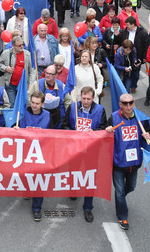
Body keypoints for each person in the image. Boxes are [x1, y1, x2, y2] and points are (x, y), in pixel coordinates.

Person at [104, 93, 150, 231]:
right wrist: (106, 131)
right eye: (125, 103)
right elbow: (104, 135)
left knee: (130, 187)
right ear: (120, 105)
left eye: (131, 103)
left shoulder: (141, 118)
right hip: (118, 163)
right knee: (119, 192)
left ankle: (121, 200)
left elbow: (148, 135)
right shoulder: (113, 118)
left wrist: (148, 135)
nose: (128, 106)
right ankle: (122, 216)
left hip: (134, 163)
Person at [63, 86, 107, 222]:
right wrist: (72, 132)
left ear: (93, 98)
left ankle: (88, 207)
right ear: (80, 97)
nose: (86, 101)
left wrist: (94, 132)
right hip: (75, 149)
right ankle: (73, 189)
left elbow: (104, 128)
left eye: (88, 99)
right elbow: (64, 126)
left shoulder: (100, 110)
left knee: (90, 178)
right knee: (73, 172)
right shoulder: (73, 107)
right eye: (83, 98)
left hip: (91, 150)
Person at [13, 92, 52, 221]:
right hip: (24, 153)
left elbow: (53, 135)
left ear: (43, 104)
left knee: (39, 181)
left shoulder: (48, 116)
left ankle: (37, 209)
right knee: (27, 176)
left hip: (40, 154)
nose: (34, 105)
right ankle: (28, 189)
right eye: (32, 102)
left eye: (37, 103)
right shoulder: (22, 113)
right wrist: (15, 128)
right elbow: (12, 128)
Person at [28, 65, 71, 129]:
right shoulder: (37, 84)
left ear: (56, 75)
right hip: (41, 120)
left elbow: (68, 101)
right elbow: (29, 97)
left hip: (58, 120)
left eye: (50, 74)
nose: (47, 75)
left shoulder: (61, 86)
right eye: (46, 73)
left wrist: (67, 117)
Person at [0, 36, 37, 103]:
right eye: (19, 45)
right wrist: (6, 68)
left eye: (22, 44)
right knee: (12, 105)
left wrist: (31, 83)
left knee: (22, 105)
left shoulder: (27, 54)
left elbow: (32, 70)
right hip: (10, 85)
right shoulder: (7, 53)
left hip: (23, 85)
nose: (21, 47)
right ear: (13, 46)